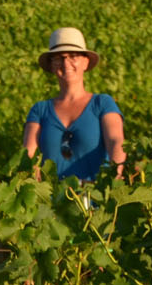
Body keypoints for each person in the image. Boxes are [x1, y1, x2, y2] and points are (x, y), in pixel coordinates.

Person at [22, 28, 126, 180]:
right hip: (52, 195)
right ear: (51, 65)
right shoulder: (40, 110)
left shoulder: (102, 104)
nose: (66, 63)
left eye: (73, 56)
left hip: (95, 193)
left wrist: (114, 176)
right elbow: (28, 155)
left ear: (85, 62)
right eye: (59, 58)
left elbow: (116, 142)